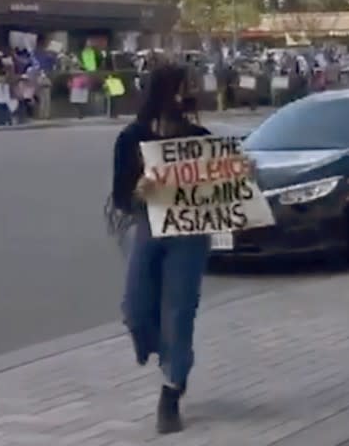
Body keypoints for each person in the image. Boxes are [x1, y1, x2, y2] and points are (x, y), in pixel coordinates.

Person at [111, 64, 211, 434]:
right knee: (136, 308)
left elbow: (221, 184)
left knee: (179, 311)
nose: (191, 94)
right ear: (165, 92)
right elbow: (120, 195)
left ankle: (172, 388)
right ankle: (155, 344)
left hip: (189, 234)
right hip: (148, 228)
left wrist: (242, 172)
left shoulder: (199, 136)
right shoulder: (131, 137)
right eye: (185, 87)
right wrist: (137, 191)